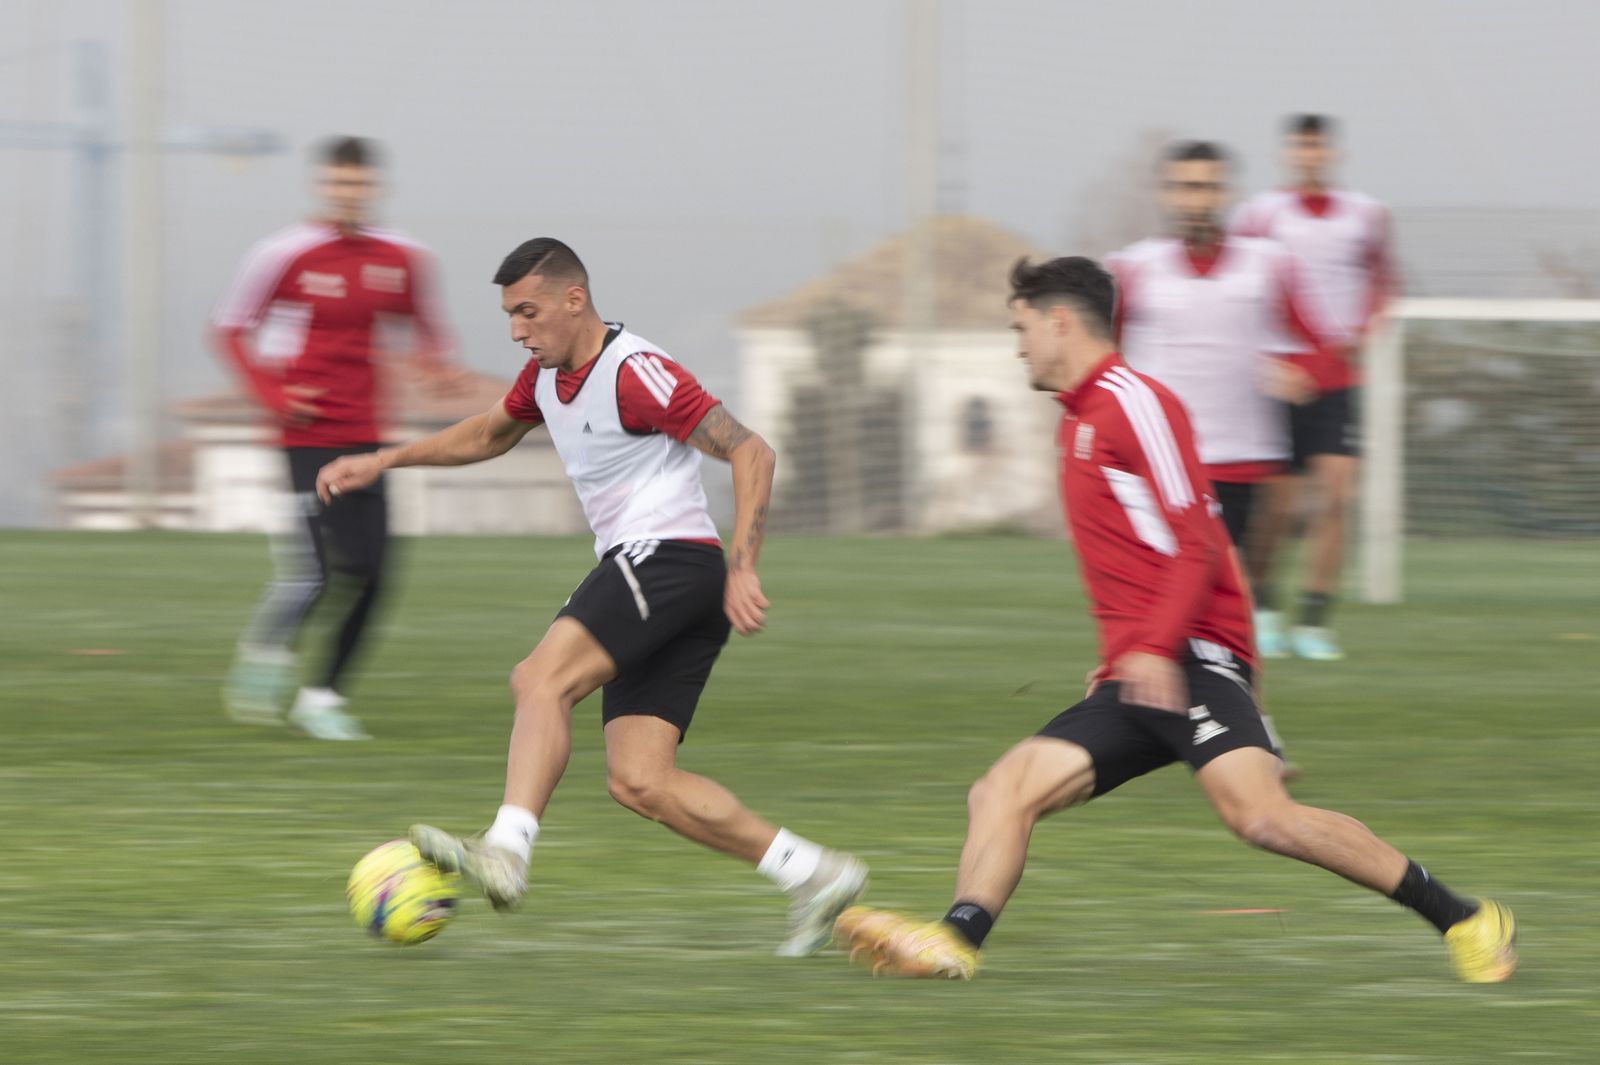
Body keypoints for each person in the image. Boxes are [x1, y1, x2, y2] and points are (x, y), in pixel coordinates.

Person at [832, 256, 1515, 984]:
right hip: (1139, 673)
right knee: (1001, 791)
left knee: (1262, 817)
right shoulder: (1077, 423)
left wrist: (1177, 653)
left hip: (1189, 657)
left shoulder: (1136, 402)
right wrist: (1124, 653)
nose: (1019, 344)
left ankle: (1466, 918)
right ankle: (956, 938)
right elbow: (1137, 558)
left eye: (1021, 326)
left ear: (1060, 320)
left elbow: (1199, 536)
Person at [315, 238, 867, 955]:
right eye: (511, 315)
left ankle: (507, 848)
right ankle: (816, 872)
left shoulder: (635, 372)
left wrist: (745, 565)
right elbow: (487, 434)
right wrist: (383, 460)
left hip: (667, 558)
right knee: (642, 781)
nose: (518, 329)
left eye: (528, 311)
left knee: (538, 679)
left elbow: (751, 449)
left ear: (574, 300)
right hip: (666, 578)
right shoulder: (543, 379)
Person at [213, 135, 459, 740]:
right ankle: (267, 649)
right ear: (323, 187)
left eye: (360, 185)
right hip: (304, 437)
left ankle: (321, 697)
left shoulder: (403, 258)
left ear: (376, 189)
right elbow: (228, 330)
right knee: (318, 571)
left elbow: (425, 327)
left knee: (376, 574)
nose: (350, 195)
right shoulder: (284, 253)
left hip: (366, 438)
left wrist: (435, 363)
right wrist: (276, 398)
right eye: (339, 184)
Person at [1232, 115, 1395, 661]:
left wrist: (1364, 329)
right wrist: (1263, 361)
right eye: (1300, 148)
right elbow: (1239, 294)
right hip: (1280, 378)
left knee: (1337, 497)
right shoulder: (1260, 215)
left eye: (1318, 147)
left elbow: (1382, 281)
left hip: (1339, 379)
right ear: (1288, 154)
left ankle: (1316, 623)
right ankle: (1264, 610)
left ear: (1333, 153)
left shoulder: (1367, 215)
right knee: (1276, 508)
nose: (1310, 156)